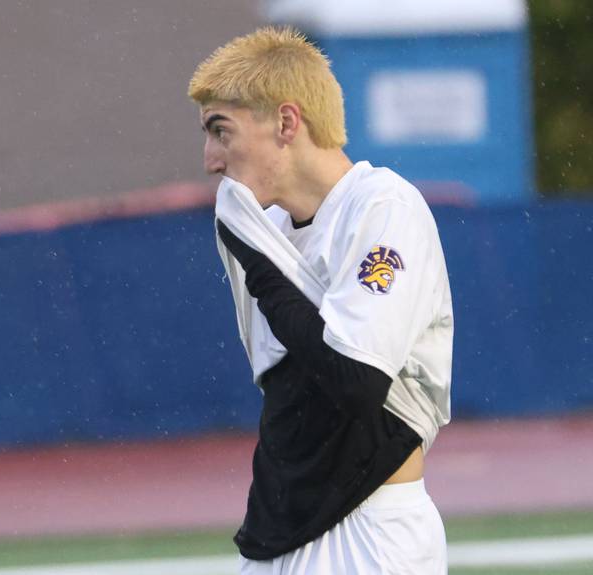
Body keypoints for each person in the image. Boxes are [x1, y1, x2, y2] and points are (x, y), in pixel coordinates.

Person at [188, 27, 453, 574]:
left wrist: (257, 258)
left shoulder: (384, 207)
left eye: (221, 131)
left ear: (287, 123)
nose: (211, 160)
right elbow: (288, 393)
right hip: (278, 527)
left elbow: (355, 382)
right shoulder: (262, 227)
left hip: (372, 536)